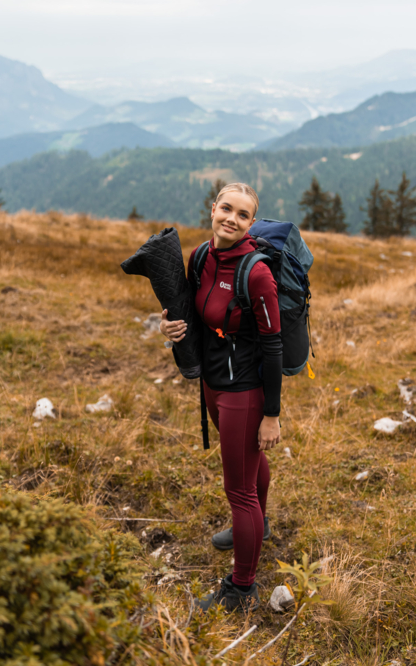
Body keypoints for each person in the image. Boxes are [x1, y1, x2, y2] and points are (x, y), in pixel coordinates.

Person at [160, 183, 282, 612]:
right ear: (212, 209)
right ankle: (258, 526)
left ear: (251, 223)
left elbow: (273, 346)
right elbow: (194, 311)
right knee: (251, 467)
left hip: (244, 390)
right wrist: (170, 327)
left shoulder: (257, 272)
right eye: (225, 208)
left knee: (239, 492)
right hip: (212, 382)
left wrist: (271, 414)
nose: (231, 218)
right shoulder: (200, 256)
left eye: (242, 214)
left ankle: (242, 587)